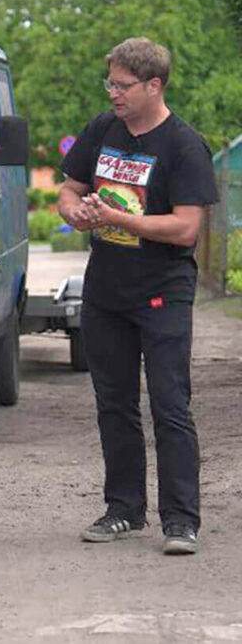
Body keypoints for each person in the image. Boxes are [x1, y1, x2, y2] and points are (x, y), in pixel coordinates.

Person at [58, 37, 218, 555]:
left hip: (161, 293)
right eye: (110, 83)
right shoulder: (103, 129)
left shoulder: (184, 146)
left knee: (170, 404)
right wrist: (72, 210)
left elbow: (187, 229)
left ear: (154, 85)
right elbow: (69, 187)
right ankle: (124, 509)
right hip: (106, 289)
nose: (113, 94)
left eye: (123, 85)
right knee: (114, 403)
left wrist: (115, 216)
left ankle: (181, 520)